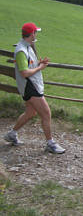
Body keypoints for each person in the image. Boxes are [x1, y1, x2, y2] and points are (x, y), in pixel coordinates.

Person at [3, 22, 65, 154]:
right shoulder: (21, 50)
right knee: (46, 113)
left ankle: (12, 134)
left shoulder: (27, 47)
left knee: (31, 112)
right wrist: (40, 67)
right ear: (31, 34)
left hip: (30, 86)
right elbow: (24, 72)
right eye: (35, 32)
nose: (36, 34)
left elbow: (28, 65)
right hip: (30, 87)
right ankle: (50, 143)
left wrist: (38, 63)